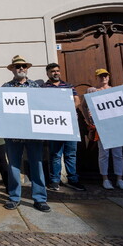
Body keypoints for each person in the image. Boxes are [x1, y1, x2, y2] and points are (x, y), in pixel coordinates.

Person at [1, 56, 50, 212]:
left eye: (23, 66)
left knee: (37, 165)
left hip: (33, 134)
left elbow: (43, 107)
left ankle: (40, 198)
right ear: (12, 69)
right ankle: (14, 197)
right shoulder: (6, 87)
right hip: (13, 134)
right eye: (17, 66)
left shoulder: (36, 87)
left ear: (27, 69)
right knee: (14, 166)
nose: (20, 68)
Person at [83, 69, 123, 191]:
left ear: (108, 77)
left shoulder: (115, 91)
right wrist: (87, 120)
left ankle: (120, 179)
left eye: (105, 76)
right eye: (101, 76)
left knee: (118, 154)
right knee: (104, 154)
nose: (103, 78)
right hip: (101, 127)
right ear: (96, 78)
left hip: (116, 126)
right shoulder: (92, 90)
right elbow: (83, 105)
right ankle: (105, 179)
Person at [43, 63, 85, 191]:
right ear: (48, 73)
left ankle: (73, 179)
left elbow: (77, 100)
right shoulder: (43, 87)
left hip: (70, 125)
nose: (56, 73)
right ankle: (55, 180)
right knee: (55, 154)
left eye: (57, 71)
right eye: (52, 71)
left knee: (70, 153)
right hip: (54, 125)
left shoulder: (68, 85)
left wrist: (68, 110)